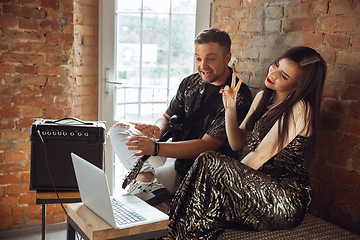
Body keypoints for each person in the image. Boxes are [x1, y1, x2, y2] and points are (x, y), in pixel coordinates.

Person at [165, 46, 327, 239]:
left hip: (284, 197)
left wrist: (227, 180)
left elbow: (260, 155)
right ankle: (175, 232)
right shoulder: (263, 97)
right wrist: (230, 108)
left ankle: (181, 233)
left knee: (210, 162)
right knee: (207, 165)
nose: (273, 74)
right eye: (275, 65)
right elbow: (237, 143)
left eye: (283, 76)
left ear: (298, 86)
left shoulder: (300, 109)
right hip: (255, 186)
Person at [108, 28, 253, 206]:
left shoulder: (239, 94)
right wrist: (157, 129)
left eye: (211, 59)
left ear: (227, 57)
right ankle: (145, 176)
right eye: (198, 58)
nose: (203, 65)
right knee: (118, 130)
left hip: (196, 169)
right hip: (170, 151)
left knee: (136, 197)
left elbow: (207, 145)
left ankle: (144, 179)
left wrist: (155, 148)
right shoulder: (189, 82)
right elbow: (166, 117)